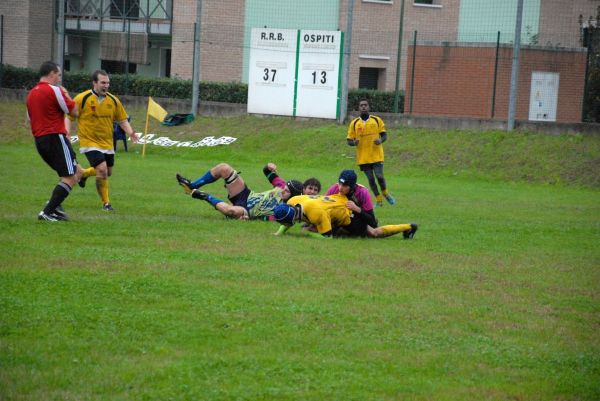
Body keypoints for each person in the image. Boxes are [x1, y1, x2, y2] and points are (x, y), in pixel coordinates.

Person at [68, 70, 139, 211]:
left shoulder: (113, 100)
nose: (106, 85)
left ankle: (83, 174)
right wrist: (67, 132)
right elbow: (69, 117)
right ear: (94, 83)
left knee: (108, 172)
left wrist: (131, 132)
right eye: (103, 82)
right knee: (102, 169)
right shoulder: (82, 98)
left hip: (107, 142)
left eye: (108, 83)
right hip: (89, 141)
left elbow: (122, 120)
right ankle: (106, 204)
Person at [274, 170, 417, 239]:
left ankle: (409, 227)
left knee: (374, 232)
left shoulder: (363, 193)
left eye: (345, 186)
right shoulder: (334, 188)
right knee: (314, 227)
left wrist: (357, 209)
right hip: (336, 215)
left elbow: (372, 220)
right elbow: (322, 207)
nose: (340, 188)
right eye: (340, 184)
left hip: (358, 217)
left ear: (352, 186)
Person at [26, 61, 81, 221]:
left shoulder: (31, 94)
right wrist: (66, 93)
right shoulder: (55, 90)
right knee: (70, 177)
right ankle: (47, 212)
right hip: (55, 137)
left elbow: (30, 119)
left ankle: (56, 208)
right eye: (58, 75)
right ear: (51, 74)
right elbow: (74, 112)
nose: (59, 78)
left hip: (40, 140)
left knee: (75, 171)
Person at [176, 163, 303, 220]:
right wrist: (269, 166)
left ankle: (203, 196)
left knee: (229, 211)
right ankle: (192, 185)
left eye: (287, 191)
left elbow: (270, 219)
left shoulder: (287, 210)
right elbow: (267, 172)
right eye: (284, 187)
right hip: (245, 194)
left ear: (292, 196)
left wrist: (250, 219)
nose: (283, 190)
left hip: (246, 211)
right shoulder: (281, 185)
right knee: (224, 168)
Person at [347, 99, 395, 207]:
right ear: (359, 108)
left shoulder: (376, 120)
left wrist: (380, 141)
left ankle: (385, 193)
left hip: (376, 155)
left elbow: (384, 135)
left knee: (379, 176)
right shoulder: (354, 123)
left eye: (365, 105)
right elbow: (349, 141)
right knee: (371, 179)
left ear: (368, 107)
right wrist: (354, 142)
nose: (363, 107)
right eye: (361, 105)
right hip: (363, 157)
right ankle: (378, 200)